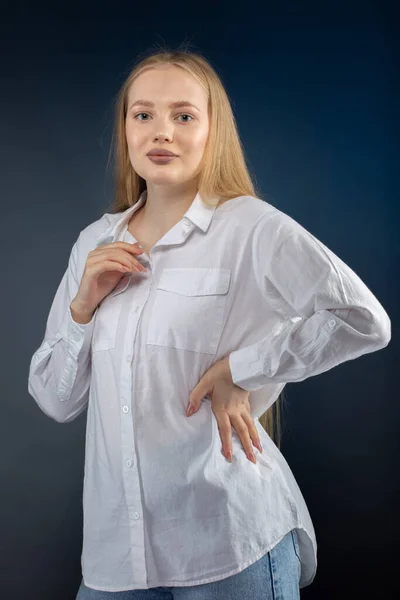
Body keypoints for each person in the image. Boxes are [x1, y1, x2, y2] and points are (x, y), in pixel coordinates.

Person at [28, 47, 391, 600]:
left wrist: (241, 369)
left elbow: (364, 319)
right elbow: (56, 402)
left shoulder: (247, 226)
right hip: (116, 558)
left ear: (212, 130)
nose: (161, 132)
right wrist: (82, 309)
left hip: (229, 543)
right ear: (125, 129)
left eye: (183, 115)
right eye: (143, 114)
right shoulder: (94, 243)